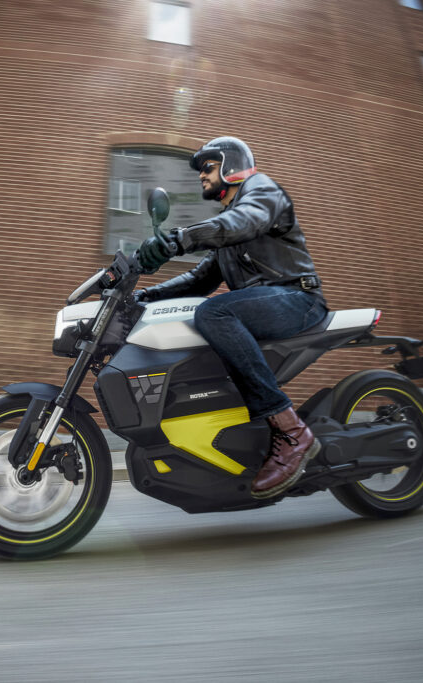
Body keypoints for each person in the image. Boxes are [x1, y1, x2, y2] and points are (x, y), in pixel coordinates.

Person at [135, 136, 328, 499]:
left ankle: (291, 431)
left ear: (232, 165)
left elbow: (245, 222)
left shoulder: (262, 191)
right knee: (202, 314)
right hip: (267, 304)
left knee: (215, 312)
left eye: (207, 167)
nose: (201, 176)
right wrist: (144, 296)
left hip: (297, 299)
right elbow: (200, 278)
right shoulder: (227, 221)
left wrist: (179, 240)